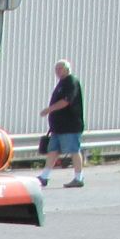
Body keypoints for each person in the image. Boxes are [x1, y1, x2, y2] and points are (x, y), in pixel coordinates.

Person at [39, 60, 85, 188]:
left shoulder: (71, 82)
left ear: (67, 69)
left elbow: (66, 101)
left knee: (74, 150)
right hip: (58, 127)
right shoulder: (61, 83)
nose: (58, 71)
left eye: (60, 68)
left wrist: (49, 110)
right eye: (56, 69)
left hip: (70, 126)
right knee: (52, 150)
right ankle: (44, 176)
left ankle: (78, 177)